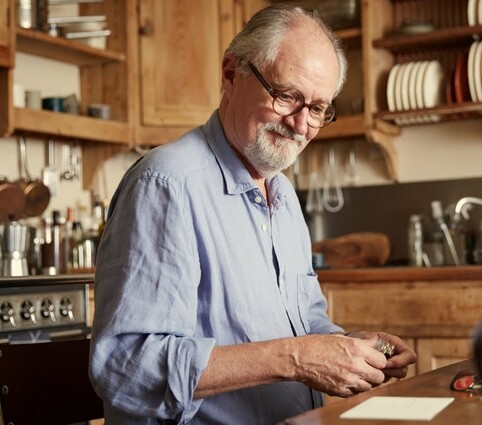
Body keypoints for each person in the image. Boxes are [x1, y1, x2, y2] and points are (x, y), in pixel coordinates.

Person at [89, 4, 417, 424]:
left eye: (317, 109)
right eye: (287, 96)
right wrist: (296, 359)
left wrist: (353, 349)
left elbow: (306, 322)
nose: (301, 125)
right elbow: (126, 366)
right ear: (231, 75)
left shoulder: (281, 193)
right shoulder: (166, 185)